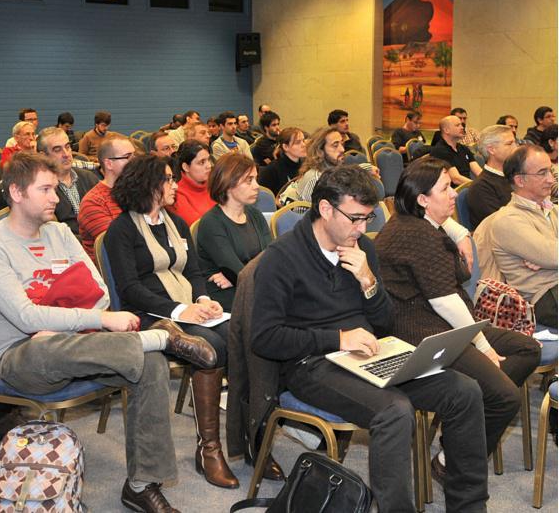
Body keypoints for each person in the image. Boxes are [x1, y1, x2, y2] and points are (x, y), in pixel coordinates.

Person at [0, 152, 217, 513]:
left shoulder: (59, 233)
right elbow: (26, 319)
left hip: (82, 342)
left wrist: (60, 319)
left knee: (150, 366)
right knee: (67, 346)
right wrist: (93, 320)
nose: (56, 198)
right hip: (26, 355)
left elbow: (100, 291)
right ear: (16, 193)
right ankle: (162, 338)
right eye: (46, 189)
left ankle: (141, 484)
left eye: (56, 189)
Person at [251, 164, 489, 513]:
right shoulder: (281, 258)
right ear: (326, 209)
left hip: (368, 354)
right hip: (311, 365)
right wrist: (337, 338)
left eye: (368, 218)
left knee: (464, 391)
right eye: (355, 219)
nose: (363, 229)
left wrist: (369, 283)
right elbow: (265, 338)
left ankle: (469, 507)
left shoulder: (363, 249)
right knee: (395, 411)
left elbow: (384, 321)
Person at [375, 156, 540, 467]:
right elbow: (444, 300)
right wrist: (484, 347)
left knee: (526, 348)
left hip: (443, 322)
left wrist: (458, 230)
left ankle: (462, 425)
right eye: (446, 188)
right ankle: (454, 461)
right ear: (422, 199)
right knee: (505, 396)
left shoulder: (420, 222)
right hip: (419, 332)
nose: (455, 193)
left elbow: (446, 298)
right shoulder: (416, 234)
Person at [106, 155, 238, 490]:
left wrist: (204, 300)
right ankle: (209, 448)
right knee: (214, 347)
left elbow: (192, 272)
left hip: (187, 308)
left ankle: (248, 435)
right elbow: (130, 290)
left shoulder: (176, 223)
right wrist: (180, 311)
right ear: (148, 184)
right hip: (152, 316)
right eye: (168, 178)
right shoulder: (121, 230)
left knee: (243, 334)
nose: (174, 184)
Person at [488, 145, 557, 328]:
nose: (551, 179)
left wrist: (546, 256)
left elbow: (551, 256)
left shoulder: (551, 209)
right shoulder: (508, 220)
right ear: (520, 180)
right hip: (545, 297)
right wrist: (548, 255)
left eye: (550, 171)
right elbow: (553, 255)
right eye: (542, 173)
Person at [196, 152, 270, 310]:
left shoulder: (255, 215)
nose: (256, 186)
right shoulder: (212, 223)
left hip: (254, 286)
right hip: (225, 298)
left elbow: (271, 259)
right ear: (228, 184)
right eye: (249, 180)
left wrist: (236, 276)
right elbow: (237, 272)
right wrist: (238, 276)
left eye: (255, 179)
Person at [77, 135, 135, 263]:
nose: (135, 162)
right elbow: (119, 246)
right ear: (109, 163)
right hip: (114, 273)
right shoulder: (93, 202)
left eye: (134, 156)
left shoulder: (137, 192)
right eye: (128, 157)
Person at [37, 127, 98, 235]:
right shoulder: (40, 189)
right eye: (57, 150)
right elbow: (52, 233)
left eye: (68, 147)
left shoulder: (89, 178)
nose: (66, 154)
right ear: (42, 156)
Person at [466, 124, 517, 229]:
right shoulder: (481, 187)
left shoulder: (515, 177)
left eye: (515, 142)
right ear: (491, 149)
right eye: (509, 144)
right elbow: (500, 226)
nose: (516, 148)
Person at [284, 126, 345, 204]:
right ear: (320, 150)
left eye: (342, 143)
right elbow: (315, 214)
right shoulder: (315, 179)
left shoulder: (337, 171)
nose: (342, 149)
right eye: (335, 145)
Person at [168, 140, 215, 225]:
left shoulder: (215, 185)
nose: (209, 166)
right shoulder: (175, 195)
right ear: (186, 167)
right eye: (202, 162)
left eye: (208, 160)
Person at [430, 115, 481, 186]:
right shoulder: (440, 151)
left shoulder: (464, 149)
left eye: (461, 125)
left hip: (467, 187)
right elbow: (456, 179)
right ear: (446, 130)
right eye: (457, 125)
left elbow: (478, 171)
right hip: (453, 191)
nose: (462, 127)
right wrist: (478, 186)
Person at [258, 126, 305, 195]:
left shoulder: (307, 166)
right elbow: (264, 199)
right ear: (285, 147)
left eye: (303, 140)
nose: (303, 145)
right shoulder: (271, 170)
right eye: (298, 142)